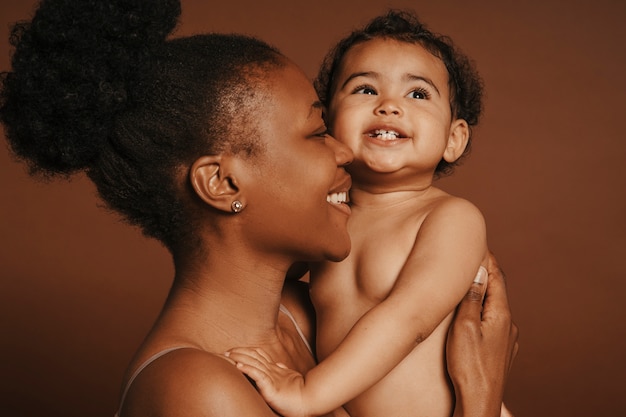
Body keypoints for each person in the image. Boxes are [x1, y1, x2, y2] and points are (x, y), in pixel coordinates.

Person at [0, 1, 518, 416]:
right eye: (319, 132)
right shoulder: (200, 392)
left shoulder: (302, 320)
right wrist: (480, 398)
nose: (345, 151)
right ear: (223, 182)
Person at [226, 10, 515, 417]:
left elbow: (408, 318)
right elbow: (264, 269)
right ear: (326, 122)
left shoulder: (451, 219)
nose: (389, 106)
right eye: (364, 89)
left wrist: (308, 393)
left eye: (418, 94)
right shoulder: (329, 216)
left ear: (454, 139)